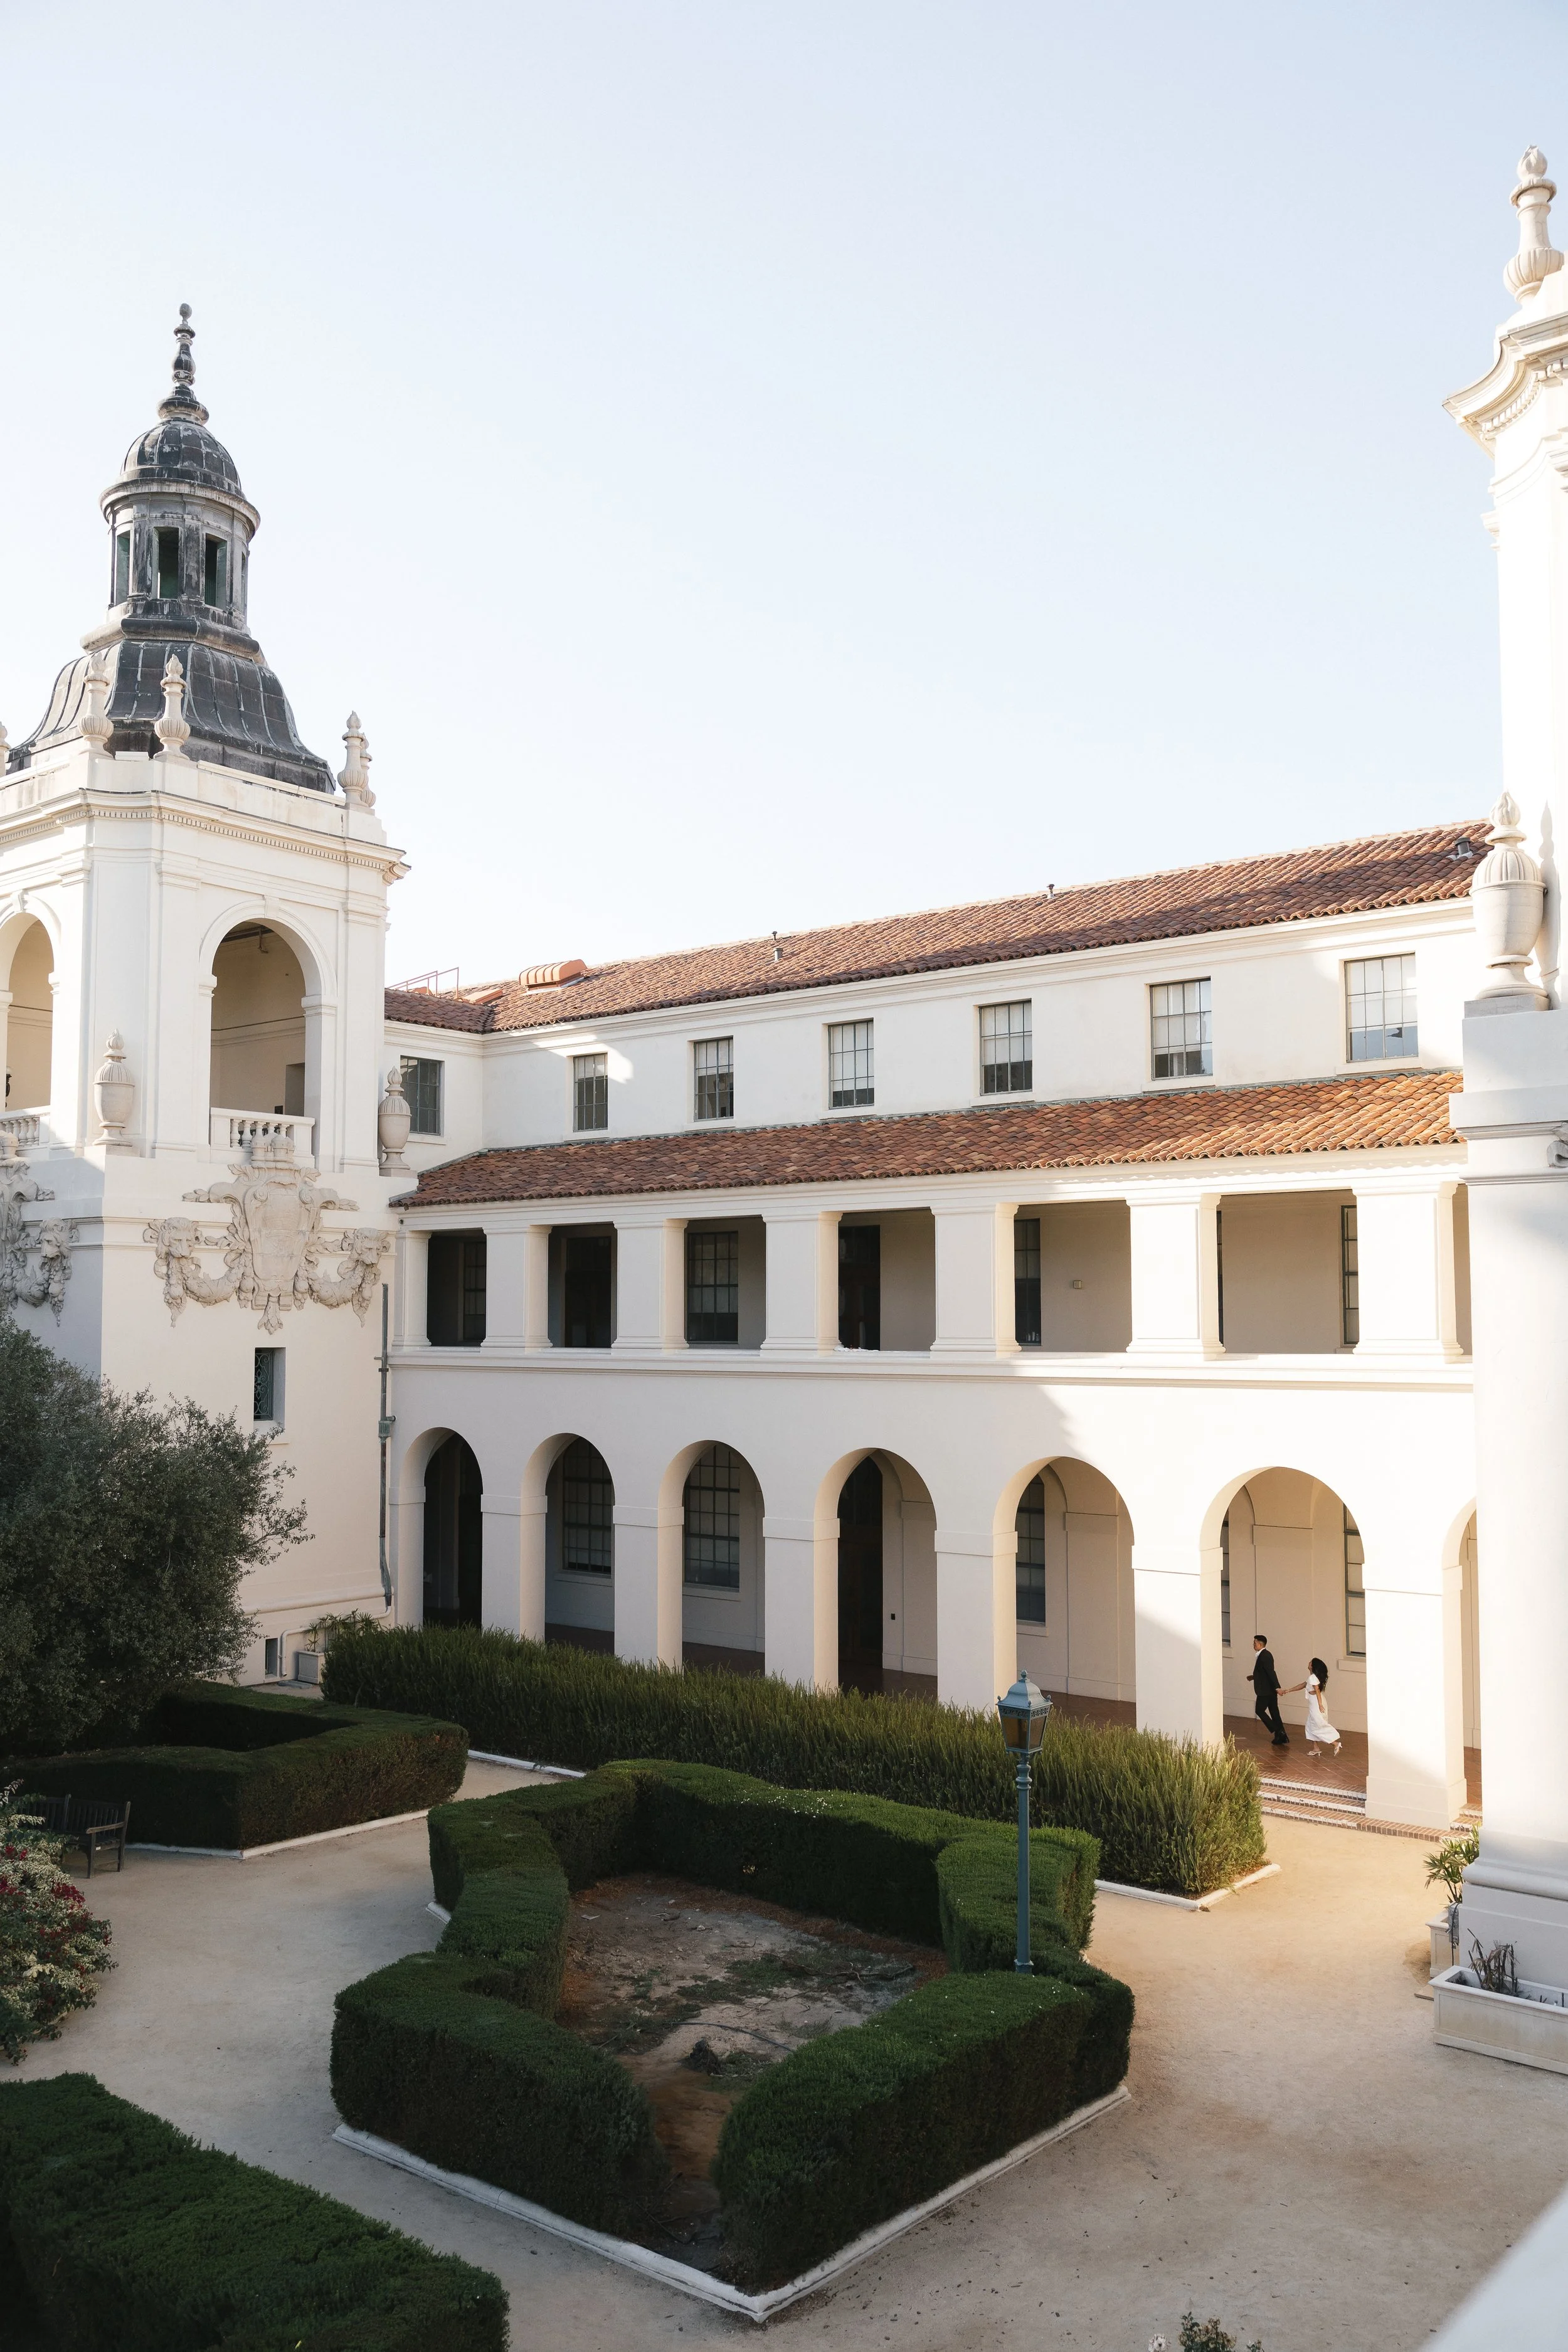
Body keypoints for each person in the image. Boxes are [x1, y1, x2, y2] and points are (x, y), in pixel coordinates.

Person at [1284, 1656, 1342, 1759]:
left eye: (1310, 1662)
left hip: (1317, 1704)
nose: (1309, 1662)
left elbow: (1318, 1691)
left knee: (1319, 1725)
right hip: (1315, 1704)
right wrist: (1289, 1690)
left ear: (1313, 1666)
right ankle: (1316, 1748)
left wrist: (1320, 1705)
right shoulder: (1312, 1677)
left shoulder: (1313, 1678)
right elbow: (1302, 1685)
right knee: (1310, 1726)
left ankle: (1335, 1743)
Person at [1248, 1633, 1290, 1747]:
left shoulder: (1265, 1656)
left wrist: (1277, 1687)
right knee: (1275, 1713)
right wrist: (1253, 1677)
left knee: (1259, 1710)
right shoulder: (1264, 1655)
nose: (1253, 1645)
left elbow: (1271, 1672)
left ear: (1260, 1645)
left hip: (1266, 1690)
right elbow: (1264, 1672)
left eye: (1255, 1643)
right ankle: (1282, 1736)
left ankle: (1277, 1730)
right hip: (1269, 1689)